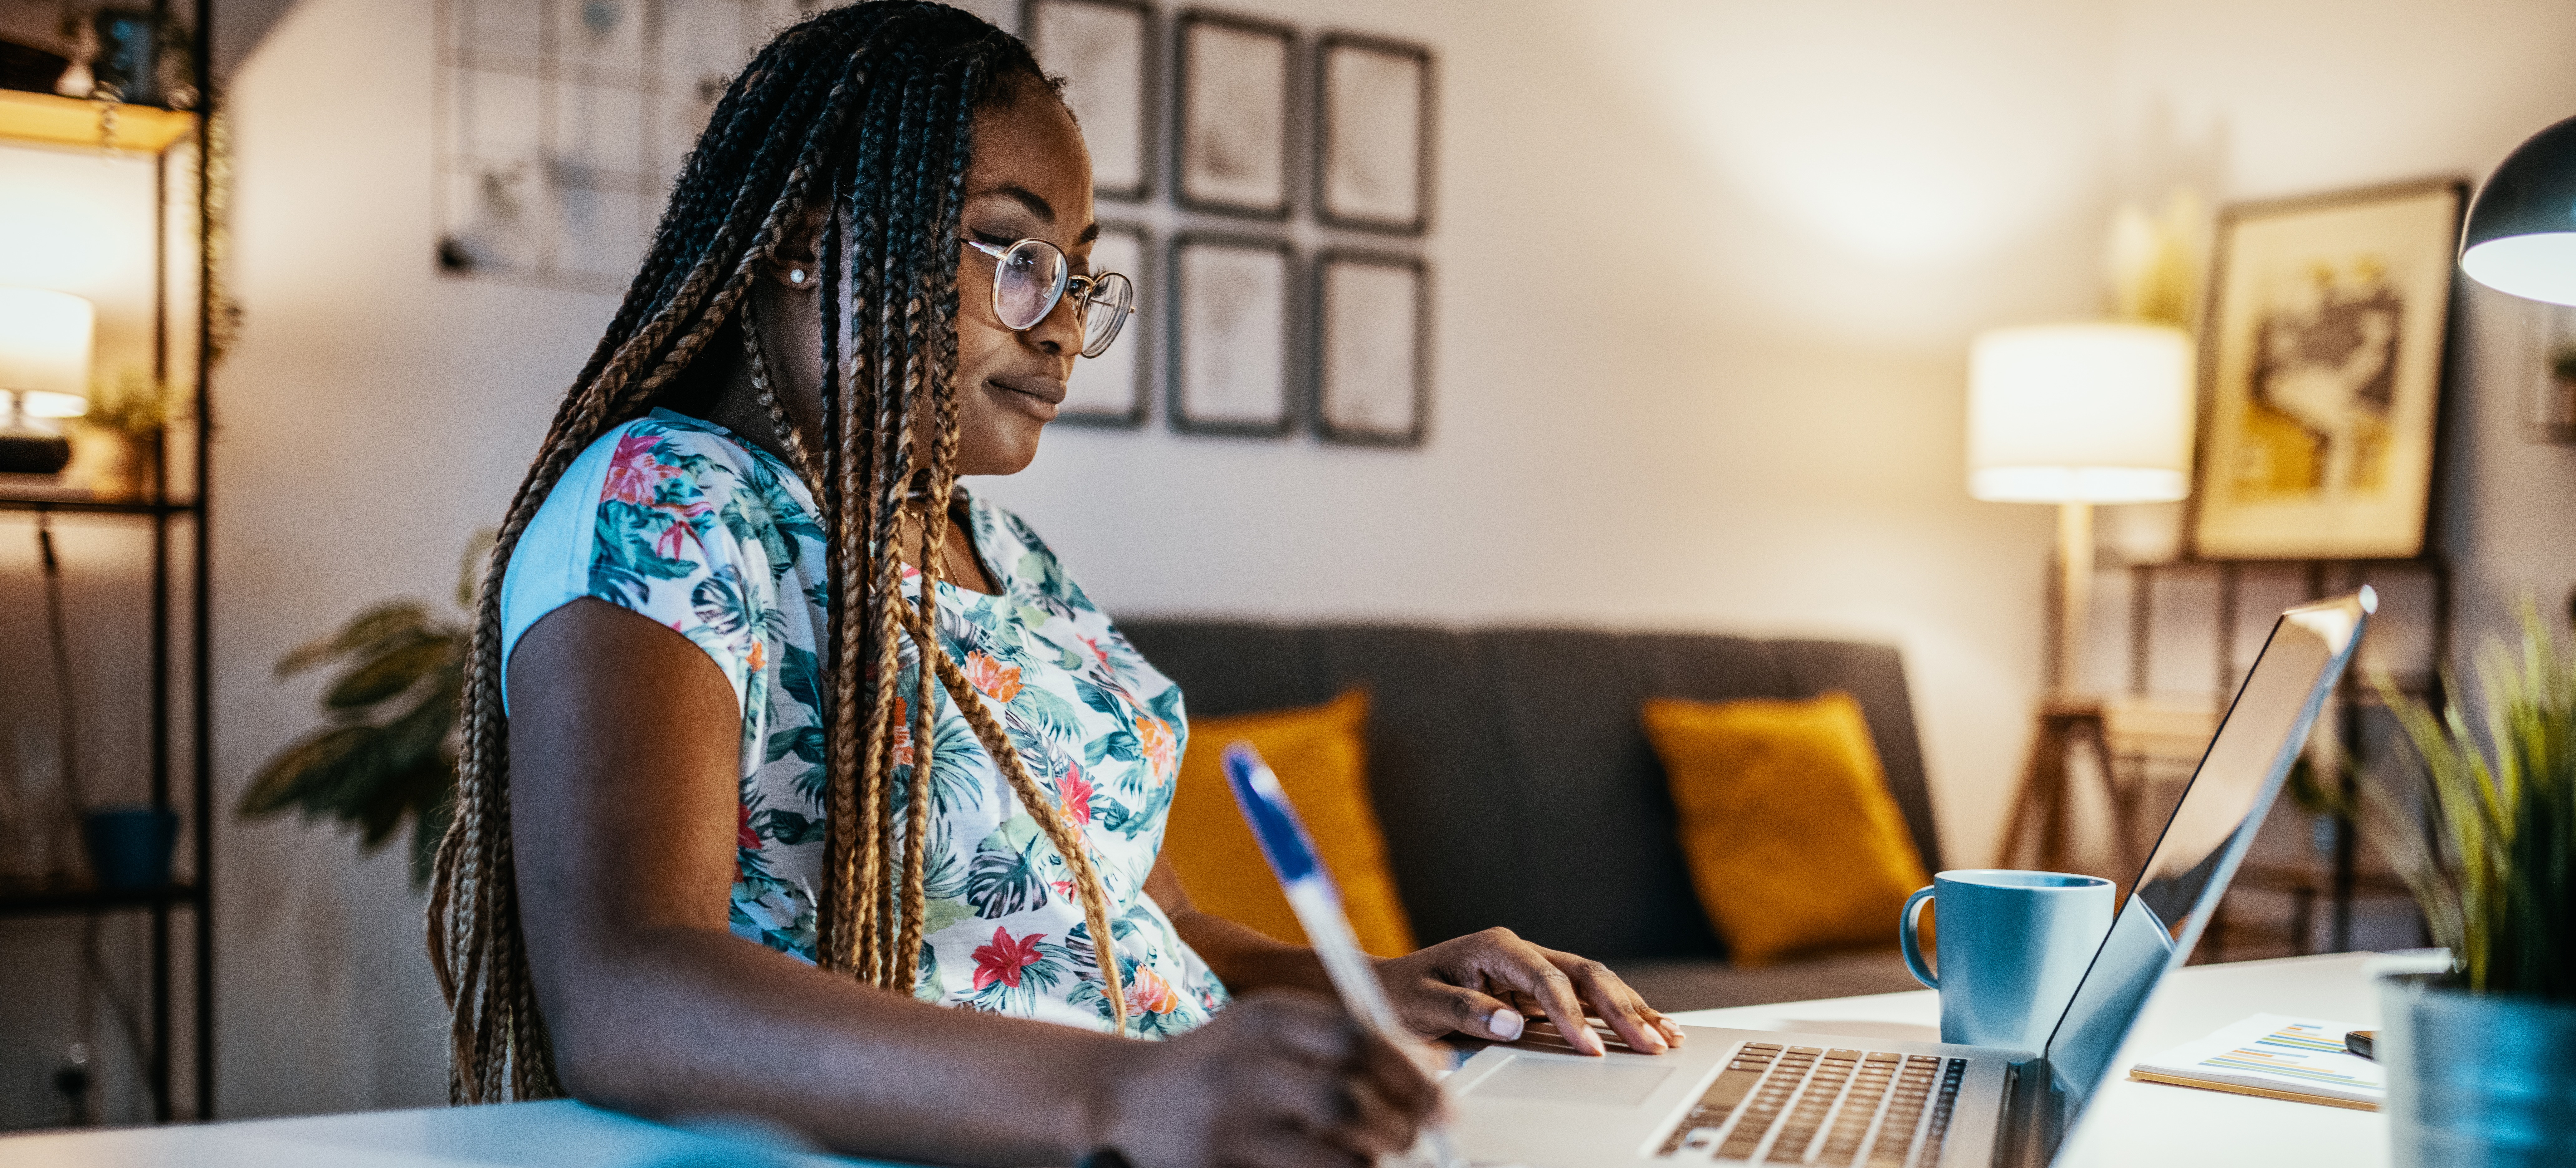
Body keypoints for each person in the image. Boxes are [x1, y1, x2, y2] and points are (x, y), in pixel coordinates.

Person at [430, 5, 1682, 1164]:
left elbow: (1157, 931)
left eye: (1080, 273)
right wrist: (1122, 1098)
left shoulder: (1003, 554)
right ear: (814, 241)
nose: (1065, 325)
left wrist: (1386, 982)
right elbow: (632, 993)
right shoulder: (668, 503)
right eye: (1019, 253)